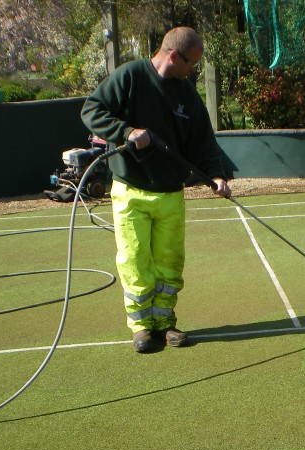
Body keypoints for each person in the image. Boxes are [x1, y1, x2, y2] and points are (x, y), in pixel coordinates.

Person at [81, 27, 230, 353]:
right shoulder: (131, 76)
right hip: (130, 190)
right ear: (174, 56)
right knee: (135, 262)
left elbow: (203, 140)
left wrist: (217, 175)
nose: (193, 70)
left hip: (170, 193)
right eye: (191, 63)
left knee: (169, 263)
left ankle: (165, 324)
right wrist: (126, 131)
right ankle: (141, 328)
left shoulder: (186, 93)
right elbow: (91, 109)